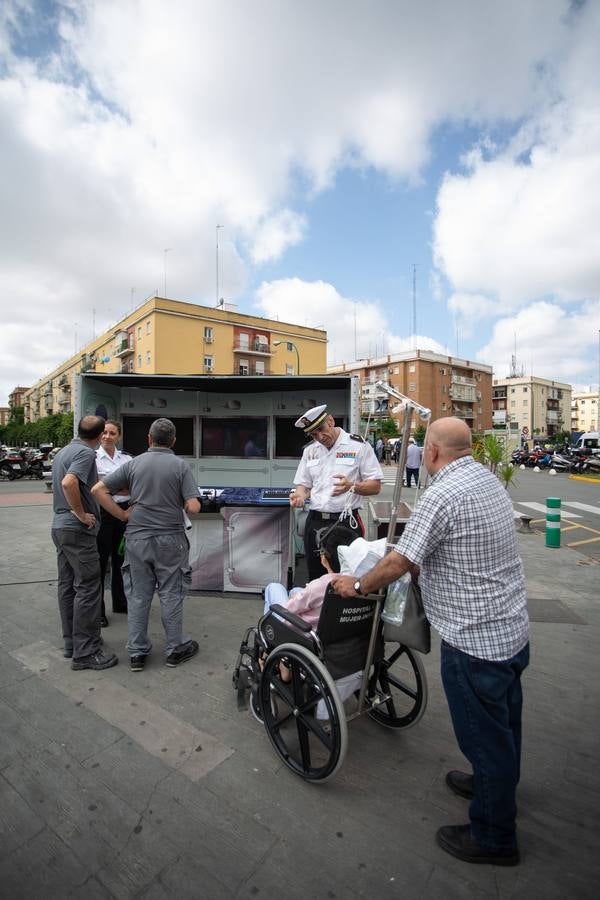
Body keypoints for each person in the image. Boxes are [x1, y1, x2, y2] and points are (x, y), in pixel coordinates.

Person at [332, 417, 529, 867]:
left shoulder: (441, 493)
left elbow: (400, 560)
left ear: (433, 453)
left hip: (475, 640)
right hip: (511, 632)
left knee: (484, 736)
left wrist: (358, 587)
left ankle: (495, 835)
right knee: (504, 725)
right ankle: (492, 783)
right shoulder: (487, 479)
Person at [92, 418, 201, 672]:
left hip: (137, 538)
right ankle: (175, 649)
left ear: (149, 439)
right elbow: (193, 506)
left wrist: (121, 515)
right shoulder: (180, 466)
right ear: (173, 441)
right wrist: (187, 501)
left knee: (138, 596)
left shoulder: (133, 464)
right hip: (171, 540)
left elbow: (98, 490)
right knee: (171, 594)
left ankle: (137, 653)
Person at [51, 415, 119, 671]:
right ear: (100, 434)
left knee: (67, 586)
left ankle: (72, 643)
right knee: (89, 587)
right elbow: (69, 483)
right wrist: (80, 513)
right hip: (77, 531)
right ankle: (86, 652)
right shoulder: (85, 454)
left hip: (59, 528)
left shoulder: (63, 452)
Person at [289, 404, 383, 580]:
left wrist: (352, 486)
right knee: (316, 576)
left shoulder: (358, 446)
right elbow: (304, 484)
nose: (320, 437)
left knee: (347, 577)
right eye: (313, 434)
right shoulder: (310, 451)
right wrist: (300, 495)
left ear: (330, 421)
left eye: (321, 429)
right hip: (315, 521)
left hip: (346, 522)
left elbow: (376, 486)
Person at [263, 523, 357, 628]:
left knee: (274, 587)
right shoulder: (362, 581)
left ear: (324, 559)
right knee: (296, 590)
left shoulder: (321, 586)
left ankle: (268, 632)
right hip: (336, 631)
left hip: (303, 634)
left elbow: (287, 610)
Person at [96, 420, 132, 625]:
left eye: (112, 433)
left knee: (121, 561)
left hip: (124, 512)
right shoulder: (92, 459)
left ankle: (120, 603)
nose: (107, 436)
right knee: (100, 563)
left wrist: (108, 487)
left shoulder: (126, 459)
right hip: (103, 514)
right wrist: (119, 488)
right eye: (104, 433)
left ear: (118, 436)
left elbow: (133, 486)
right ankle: (98, 611)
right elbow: (94, 487)